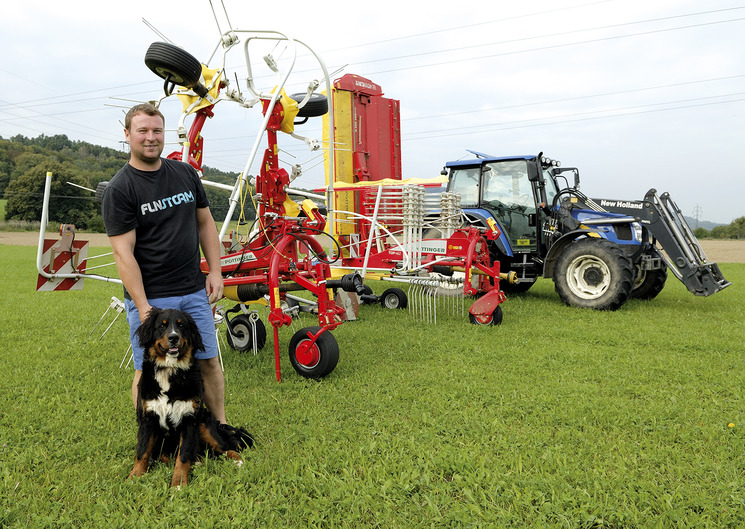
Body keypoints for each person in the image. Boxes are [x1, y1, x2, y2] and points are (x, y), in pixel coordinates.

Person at [101, 103, 227, 423]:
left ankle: (219, 427)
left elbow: (205, 224)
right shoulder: (121, 189)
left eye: (157, 130)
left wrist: (214, 271)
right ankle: (151, 438)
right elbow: (123, 254)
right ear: (127, 134)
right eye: (142, 131)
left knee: (208, 361)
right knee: (148, 370)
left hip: (193, 292)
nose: (150, 137)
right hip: (154, 298)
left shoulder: (184, 174)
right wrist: (143, 306)